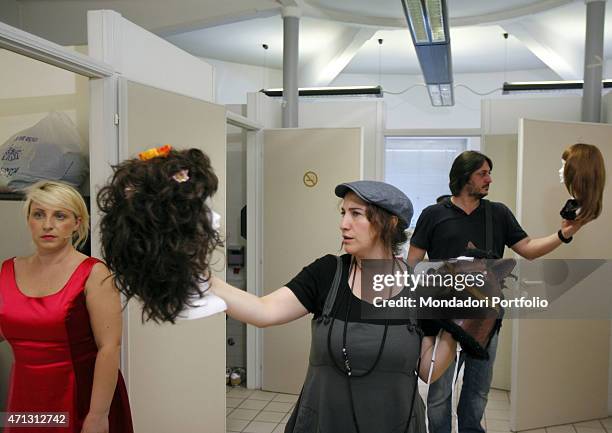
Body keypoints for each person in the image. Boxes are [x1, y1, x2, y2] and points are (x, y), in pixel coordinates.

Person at [96, 149, 460, 433]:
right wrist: (192, 273)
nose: (343, 223)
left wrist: (459, 328)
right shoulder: (328, 273)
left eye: (357, 214)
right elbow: (264, 311)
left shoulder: (420, 287)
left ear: (389, 223)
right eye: (343, 212)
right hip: (323, 424)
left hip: (394, 423)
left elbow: (427, 369)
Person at [407, 150, 586, 433]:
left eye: (489, 172)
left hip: (485, 317)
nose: (489, 179)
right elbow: (412, 264)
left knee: (477, 392)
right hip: (443, 318)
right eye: (483, 173)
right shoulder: (433, 214)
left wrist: (563, 233)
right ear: (464, 176)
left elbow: (527, 249)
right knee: (439, 392)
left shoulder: (498, 213)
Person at [0, 180, 133, 433]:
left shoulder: (94, 273)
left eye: (59, 215)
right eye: (39, 214)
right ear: (29, 220)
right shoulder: (7, 270)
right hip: (25, 400)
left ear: (77, 223)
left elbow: (109, 347)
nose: (47, 224)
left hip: (82, 399)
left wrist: (97, 416)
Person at [559, 143, 606, 223]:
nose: (560, 170)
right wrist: (563, 235)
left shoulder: (579, 210)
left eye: (564, 165)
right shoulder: (572, 206)